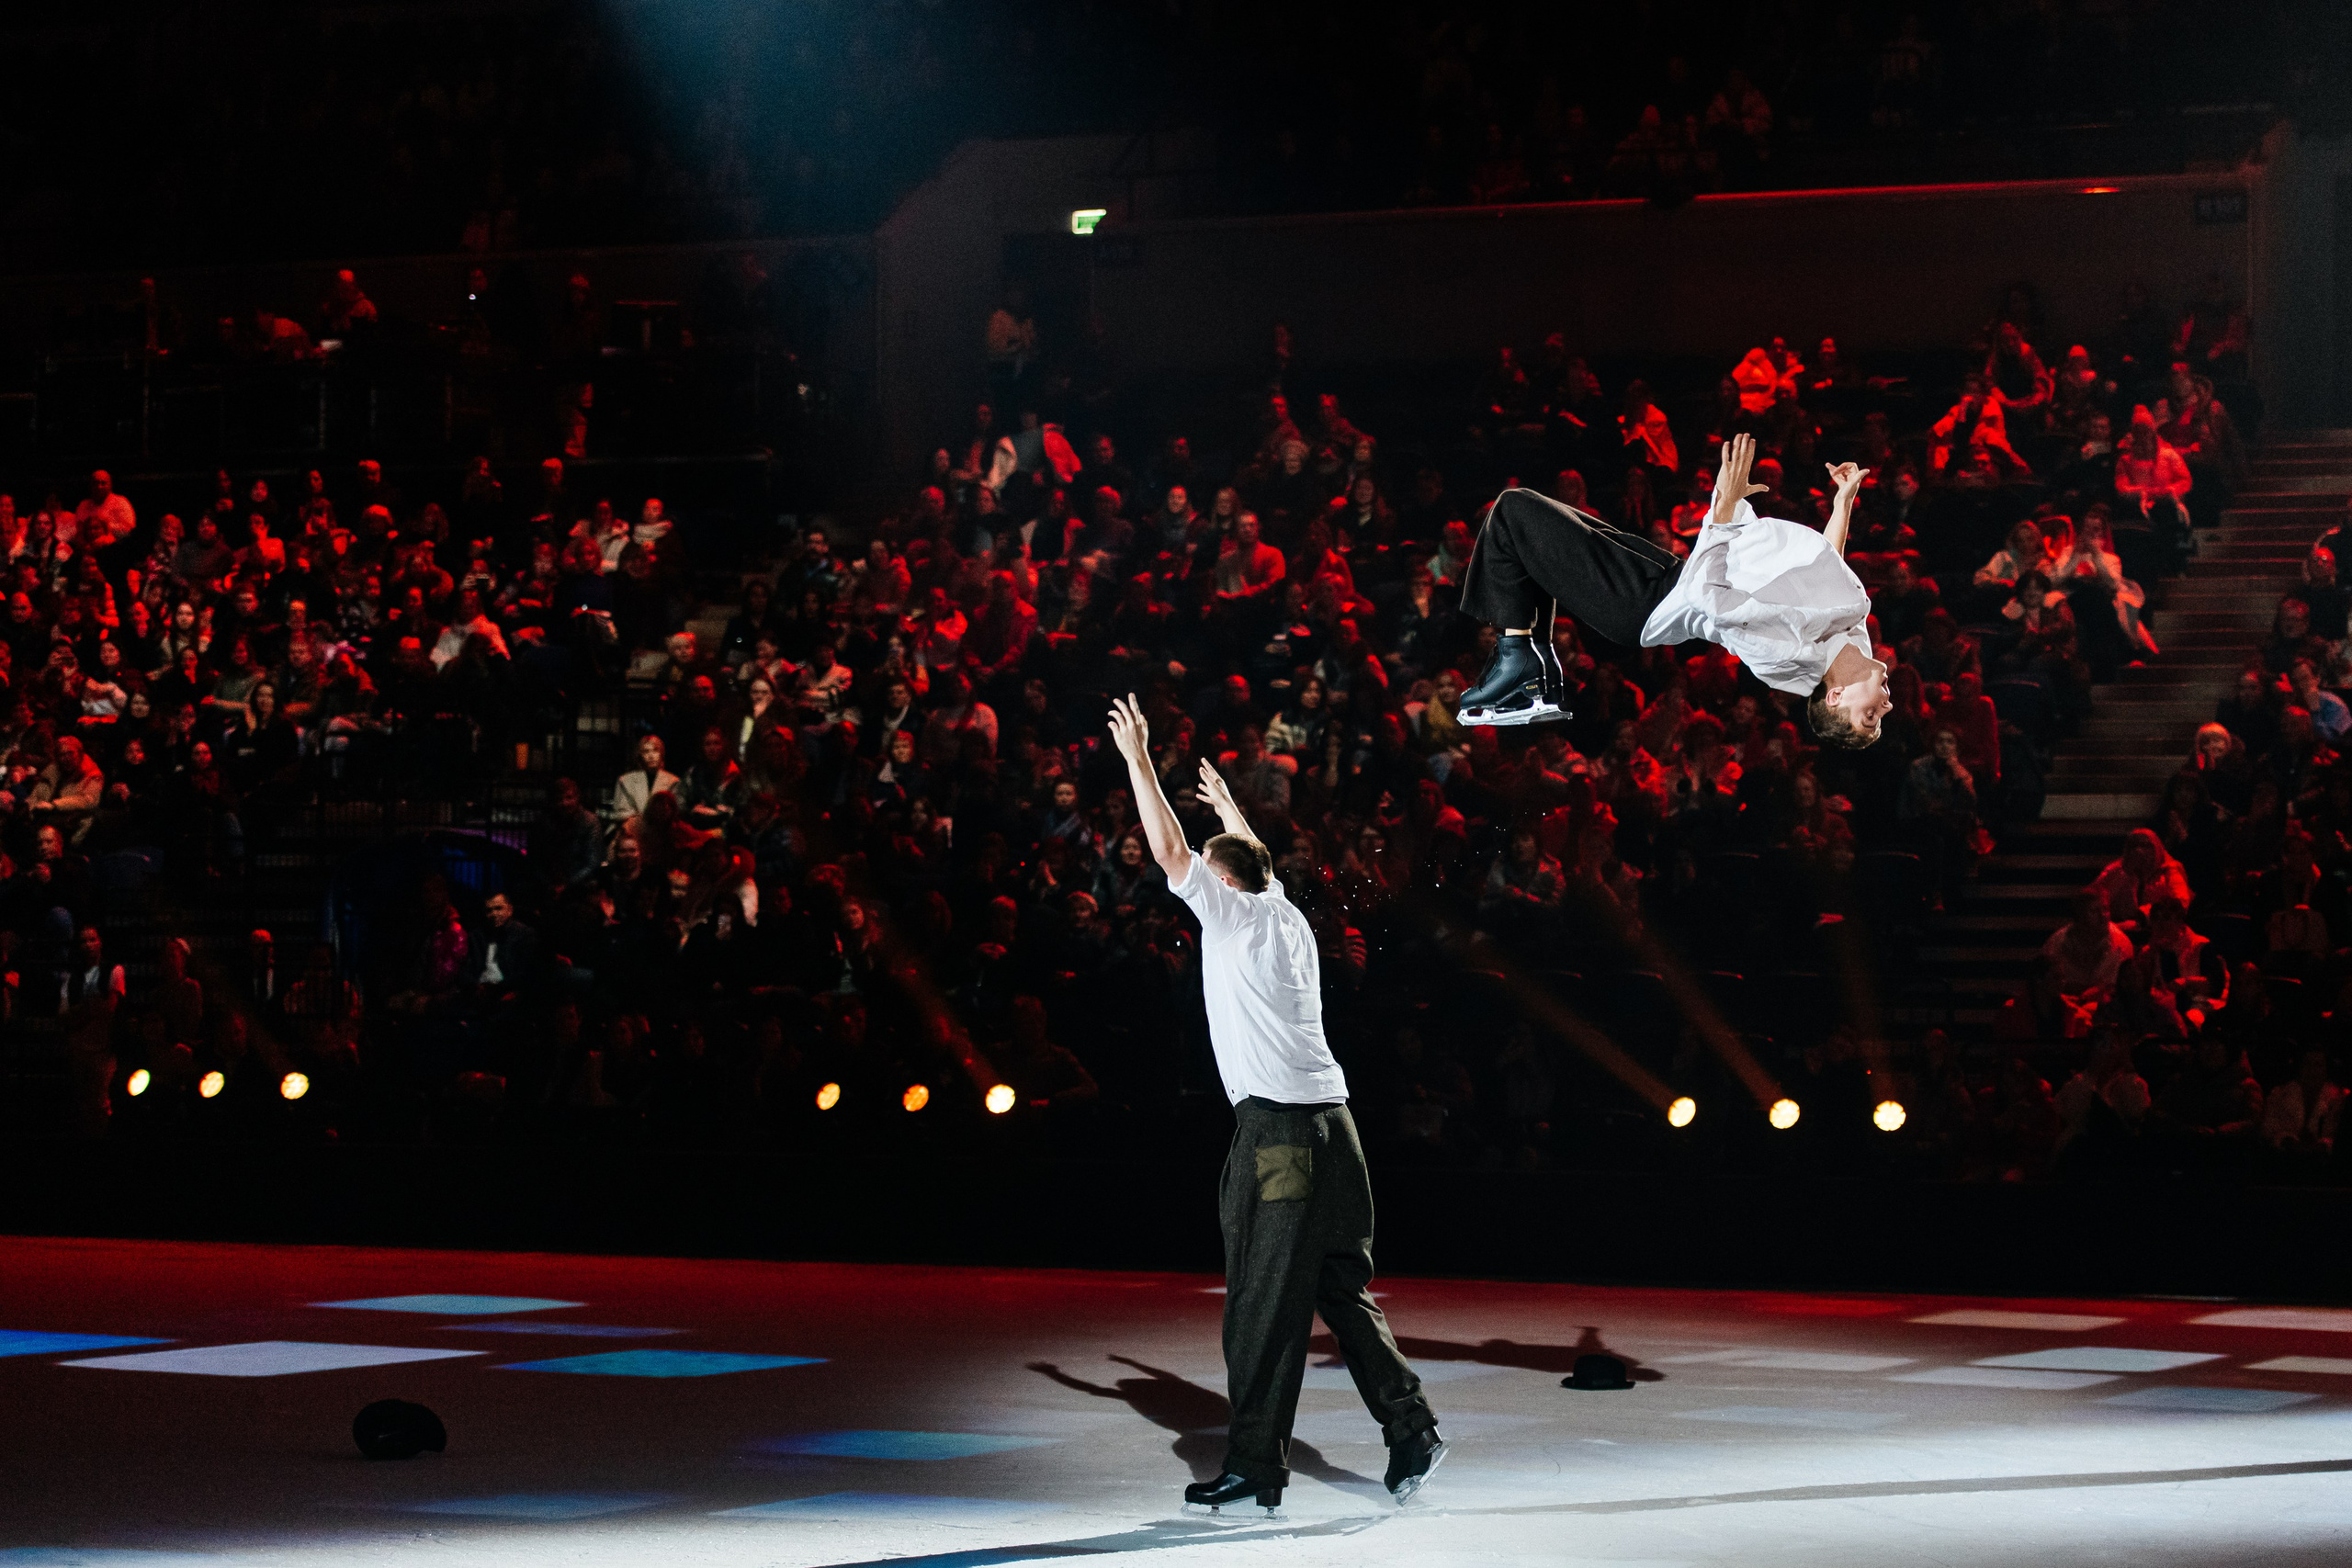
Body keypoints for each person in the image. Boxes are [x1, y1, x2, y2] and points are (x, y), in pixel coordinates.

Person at [1104, 693, 1444, 1516]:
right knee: (1338, 1285)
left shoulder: (1227, 915)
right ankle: (1412, 1426)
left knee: (1261, 1298)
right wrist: (1230, 807)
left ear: (1223, 884)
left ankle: (1257, 1463)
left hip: (1282, 1132)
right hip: (1338, 1128)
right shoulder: (1285, 912)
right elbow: (1251, 856)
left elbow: (1171, 852)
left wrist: (1140, 763)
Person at [1455, 434, 1886, 748]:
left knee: (1514, 512)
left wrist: (1723, 507)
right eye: (1879, 718)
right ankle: (1532, 670)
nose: (1884, 708)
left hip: (1642, 603)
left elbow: (1707, 598)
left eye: (1869, 717)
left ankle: (1520, 667)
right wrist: (1843, 503)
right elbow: (1828, 568)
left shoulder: (1787, 654)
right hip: (1662, 577)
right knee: (1531, 537)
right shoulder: (1853, 641)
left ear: (1836, 696)